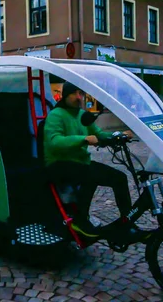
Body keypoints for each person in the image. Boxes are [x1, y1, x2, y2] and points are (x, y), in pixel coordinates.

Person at [42, 82, 145, 241]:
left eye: (80, 93)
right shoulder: (56, 115)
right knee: (91, 176)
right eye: (74, 93)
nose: (78, 97)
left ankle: (126, 222)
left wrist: (118, 135)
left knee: (119, 178)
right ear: (65, 95)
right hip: (59, 163)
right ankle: (80, 222)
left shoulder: (82, 115)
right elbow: (54, 142)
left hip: (80, 162)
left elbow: (98, 134)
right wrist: (83, 139)